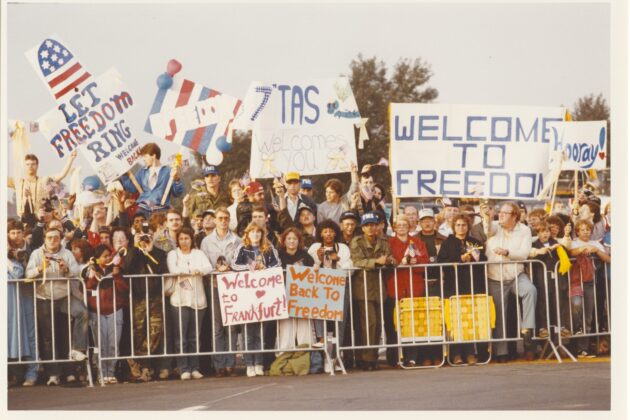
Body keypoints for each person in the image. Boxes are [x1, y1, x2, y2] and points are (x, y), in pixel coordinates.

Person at [26, 226, 86, 386]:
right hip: (44, 297)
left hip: (64, 297)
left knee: (67, 332)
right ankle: (53, 373)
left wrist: (66, 270)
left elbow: (76, 274)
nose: (53, 240)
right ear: (45, 239)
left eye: (56, 237)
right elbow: (27, 274)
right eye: (50, 237)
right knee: (47, 337)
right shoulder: (36, 254)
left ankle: (71, 368)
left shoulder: (67, 254)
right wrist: (40, 268)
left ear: (61, 239)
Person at [484, 202, 537, 362]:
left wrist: (507, 252)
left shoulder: (524, 230)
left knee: (530, 290)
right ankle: (501, 352)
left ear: (514, 216)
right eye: (500, 212)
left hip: (515, 274)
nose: (501, 215)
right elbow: (487, 229)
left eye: (505, 213)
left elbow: (524, 253)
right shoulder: (494, 226)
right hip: (495, 276)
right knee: (500, 313)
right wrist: (487, 215)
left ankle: (527, 328)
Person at [119, 226, 169, 382]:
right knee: (138, 331)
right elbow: (126, 268)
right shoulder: (132, 252)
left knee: (155, 331)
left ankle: (141, 362)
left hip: (155, 297)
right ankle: (143, 366)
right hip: (138, 297)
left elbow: (161, 270)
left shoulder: (160, 253)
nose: (144, 238)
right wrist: (135, 246)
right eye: (141, 236)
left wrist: (151, 250)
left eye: (147, 235)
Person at [232, 222, 281, 377]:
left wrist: (265, 269)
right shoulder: (242, 248)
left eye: (258, 232)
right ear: (247, 234)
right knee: (248, 332)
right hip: (247, 294)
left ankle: (258, 363)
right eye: (252, 232)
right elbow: (234, 265)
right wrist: (251, 267)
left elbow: (277, 264)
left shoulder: (269, 248)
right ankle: (249, 364)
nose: (255, 235)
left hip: (264, 294)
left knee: (260, 331)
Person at [437, 214, 487, 365]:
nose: (461, 228)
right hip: (453, 286)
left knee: (470, 320)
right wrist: (459, 260)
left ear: (468, 226)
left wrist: (473, 258)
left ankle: (471, 353)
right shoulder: (447, 243)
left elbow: (484, 259)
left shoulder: (475, 242)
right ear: (454, 227)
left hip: (472, 284)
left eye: (463, 225)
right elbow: (441, 262)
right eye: (458, 225)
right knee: (455, 320)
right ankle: (456, 354)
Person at [165, 227, 213, 380]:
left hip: (198, 299)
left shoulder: (199, 253)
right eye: (181, 239)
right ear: (177, 240)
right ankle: (183, 367)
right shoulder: (173, 254)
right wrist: (191, 270)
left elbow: (208, 267)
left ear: (192, 239)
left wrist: (199, 270)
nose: (184, 241)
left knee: (194, 336)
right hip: (180, 300)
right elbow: (174, 269)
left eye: (187, 238)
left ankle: (194, 367)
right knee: (181, 336)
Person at [200, 207, 242, 377]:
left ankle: (230, 363)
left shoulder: (238, 240)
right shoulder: (206, 241)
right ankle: (219, 364)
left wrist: (230, 268)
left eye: (226, 218)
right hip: (215, 284)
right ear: (215, 220)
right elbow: (203, 262)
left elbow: (241, 261)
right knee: (217, 327)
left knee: (231, 326)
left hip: (232, 285)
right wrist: (215, 269)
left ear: (229, 219)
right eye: (220, 218)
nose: (223, 221)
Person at [349, 212, 394, 370]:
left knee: (377, 325)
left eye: (373, 224)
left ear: (378, 226)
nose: (371, 228)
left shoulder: (383, 240)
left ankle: (373, 357)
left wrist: (388, 261)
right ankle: (366, 358)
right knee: (369, 323)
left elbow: (391, 258)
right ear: (362, 227)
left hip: (379, 287)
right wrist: (376, 261)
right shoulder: (357, 241)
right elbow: (357, 260)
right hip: (363, 286)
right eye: (367, 225)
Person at [385, 215, 429, 367]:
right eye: (399, 224)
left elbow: (425, 262)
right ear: (394, 226)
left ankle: (412, 357)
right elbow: (387, 261)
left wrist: (415, 263)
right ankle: (395, 357)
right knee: (394, 324)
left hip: (413, 287)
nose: (402, 227)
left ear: (409, 226)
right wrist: (399, 263)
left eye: (405, 224)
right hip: (395, 287)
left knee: (413, 323)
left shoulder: (417, 242)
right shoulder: (389, 243)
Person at [83, 245, 129, 384]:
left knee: (114, 343)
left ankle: (111, 372)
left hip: (115, 310)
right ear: (97, 259)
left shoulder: (117, 269)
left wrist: (116, 274)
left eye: (109, 255)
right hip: (97, 311)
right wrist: (92, 277)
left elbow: (124, 289)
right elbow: (87, 290)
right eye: (104, 256)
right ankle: (100, 372)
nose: (107, 258)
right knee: (100, 344)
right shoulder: (90, 270)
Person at [568, 219, 610, 358]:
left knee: (589, 315)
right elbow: (571, 252)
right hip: (575, 282)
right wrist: (581, 249)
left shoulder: (595, 243)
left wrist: (596, 250)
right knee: (576, 305)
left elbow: (607, 259)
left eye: (588, 229)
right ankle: (577, 329)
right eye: (582, 229)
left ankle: (583, 349)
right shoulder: (574, 242)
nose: (585, 231)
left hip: (590, 282)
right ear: (577, 231)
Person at [7, 219, 39, 387]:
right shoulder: (6, 250)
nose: (16, 236)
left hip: (26, 294)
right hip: (9, 295)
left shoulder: (31, 249)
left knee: (30, 334)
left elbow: (28, 272)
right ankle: (13, 373)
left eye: (18, 232)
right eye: (12, 233)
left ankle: (32, 372)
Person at [277, 227, 317, 352]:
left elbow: (314, 273)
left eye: (294, 238)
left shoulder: (305, 256)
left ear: (299, 241)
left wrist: (316, 267)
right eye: (289, 238)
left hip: (302, 298)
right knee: (286, 329)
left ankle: (305, 356)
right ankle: (284, 355)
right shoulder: (278, 255)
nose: (292, 241)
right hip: (285, 297)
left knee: (305, 329)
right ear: (284, 241)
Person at [8, 151, 77, 222]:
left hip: (40, 219)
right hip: (24, 220)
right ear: (24, 166)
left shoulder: (44, 180)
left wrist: (71, 159)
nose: (30, 166)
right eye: (27, 164)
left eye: (33, 164)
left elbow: (61, 175)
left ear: (37, 165)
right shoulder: (18, 182)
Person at [528, 222, 569, 340]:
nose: (545, 234)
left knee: (559, 302)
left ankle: (561, 326)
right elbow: (532, 255)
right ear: (537, 233)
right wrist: (544, 250)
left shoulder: (556, 243)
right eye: (541, 232)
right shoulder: (534, 245)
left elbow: (567, 251)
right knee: (542, 302)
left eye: (546, 231)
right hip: (541, 279)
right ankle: (543, 327)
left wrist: (561, 244)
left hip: (557, 278)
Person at [119, 143, 184, 216]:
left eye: (145, 156)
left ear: (154, 155)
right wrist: (124, 173)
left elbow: (177, 193)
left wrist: (177, 179)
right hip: (143, 210)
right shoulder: (142, 171)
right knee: (142, 226)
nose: (143, 159)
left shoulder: (168, 171)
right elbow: (131, 188)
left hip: (161, 211)